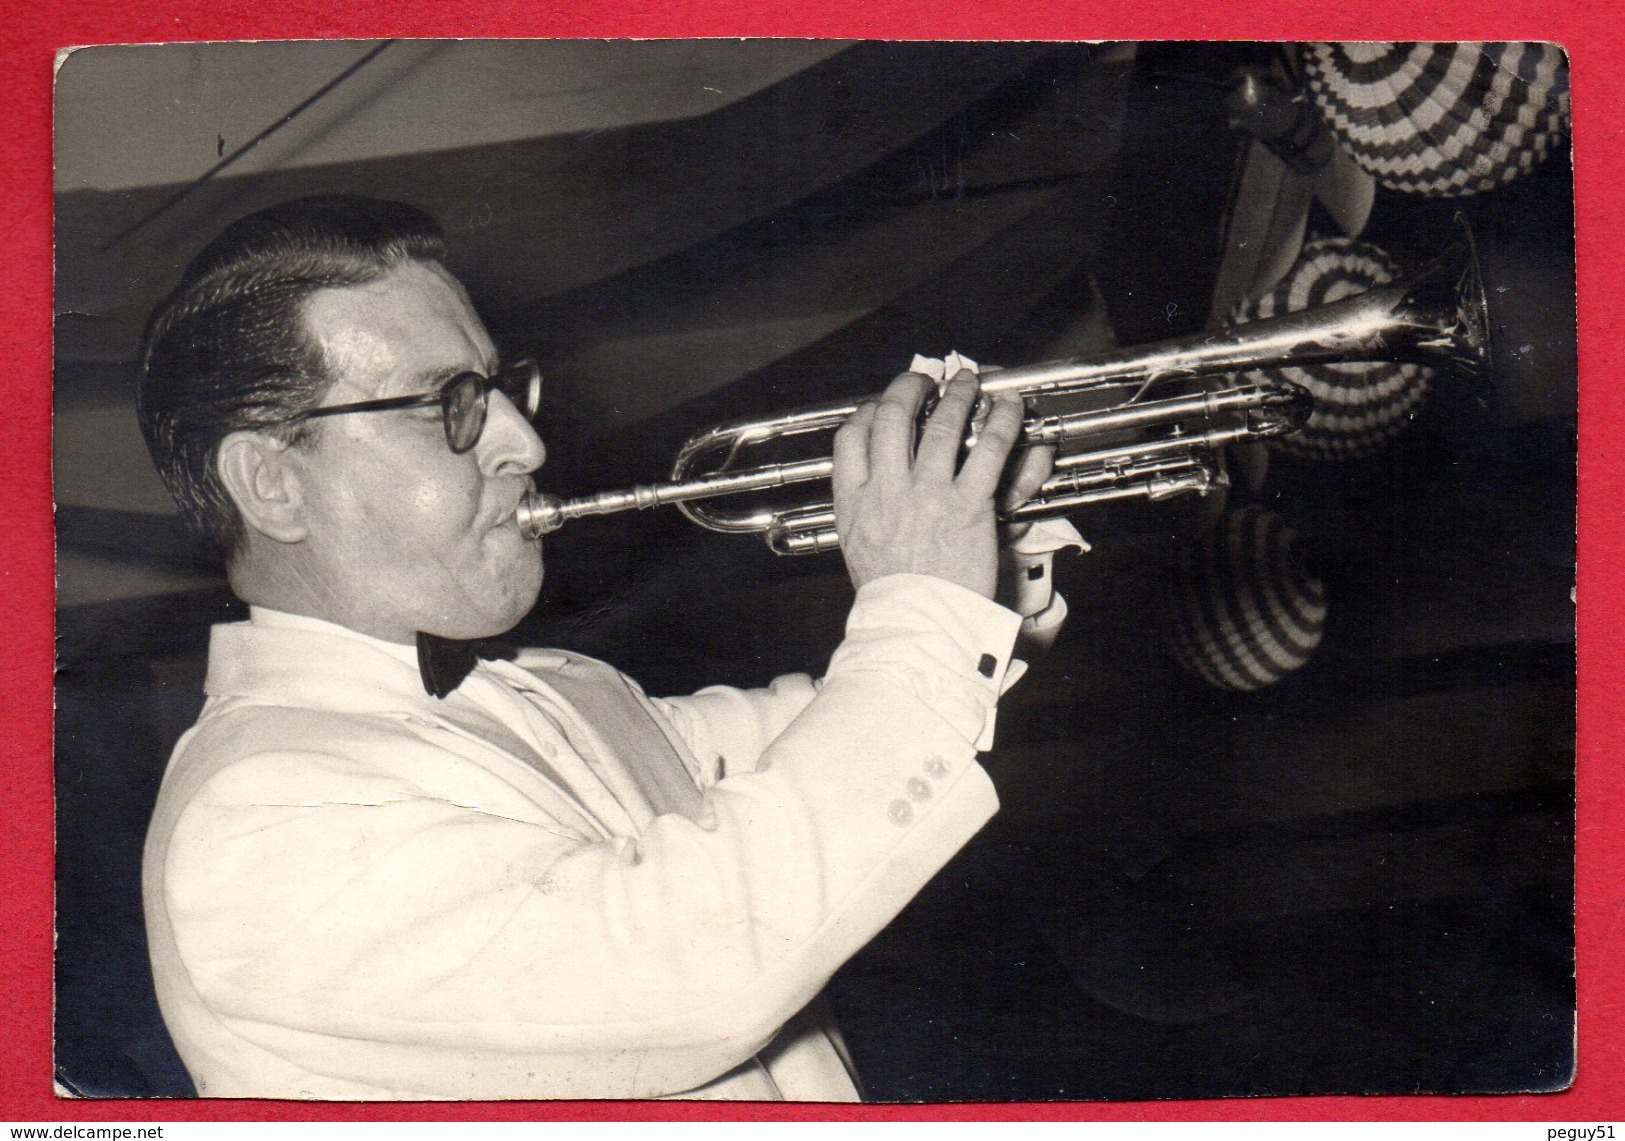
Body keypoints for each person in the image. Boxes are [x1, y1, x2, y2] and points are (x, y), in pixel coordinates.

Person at [137, 195, 1076, 1100]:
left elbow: (846, 740)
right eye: (448, 404)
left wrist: (977, 563)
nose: (523, 442)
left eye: (503, 390)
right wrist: (924, 602)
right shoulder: (251, 820)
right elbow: (696, 967)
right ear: (271, 485)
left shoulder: (551, 687)